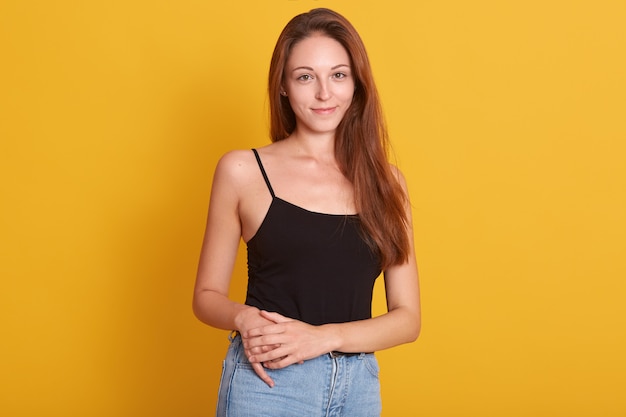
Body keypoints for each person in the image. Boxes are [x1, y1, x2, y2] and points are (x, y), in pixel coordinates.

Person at [193, 8, 420, 416]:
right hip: (269, 383)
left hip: (358, 388)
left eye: (338, 75)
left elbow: (407, 319)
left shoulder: (389, 184)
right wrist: (244, 317)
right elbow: (205, 297)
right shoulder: (243, 171)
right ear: (283, 86)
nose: (323, 93)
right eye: (304, 76)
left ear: (357, 84)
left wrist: (323, 338)